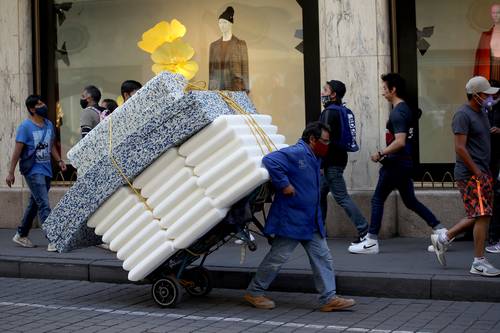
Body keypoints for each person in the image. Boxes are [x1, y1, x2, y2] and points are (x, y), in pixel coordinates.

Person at [244, 122, 355, 311]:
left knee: (323, 257)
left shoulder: (314, 157)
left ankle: (328, 298)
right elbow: (270, 160)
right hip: (292, 219)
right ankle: (254, 293)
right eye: (324, 141)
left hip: (310, 220)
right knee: (278, 257)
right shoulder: (296, 153)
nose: (327, 145)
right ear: (312, 139)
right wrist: (284, 184)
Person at [349, 73, 446, 254]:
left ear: (393, 90)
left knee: (377, 199)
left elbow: (400, 141)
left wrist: (380, 153)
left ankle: (371, 241)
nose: (382, 92)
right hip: (404, 163)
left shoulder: (397, 112)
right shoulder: (405, 110)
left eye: (385, 88)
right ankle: (441, 231)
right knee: (410, 201)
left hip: (395, 164)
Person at [432, 76, 500, 276]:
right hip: (471, 174)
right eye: (487, 94)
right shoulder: (462, 114)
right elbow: (460, 148)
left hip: (483, 171)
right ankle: (478, 262)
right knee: (482, 214)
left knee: (481, 214)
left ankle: (443, 238)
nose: (491, 97)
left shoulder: (483, 112)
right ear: (476, 95)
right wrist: (477, 172)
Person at [6, 95, 67, 251]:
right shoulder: (25, 127)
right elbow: (17, 152)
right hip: (33, 171)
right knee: (44, 204)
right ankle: (53, 239)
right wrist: (11, 172)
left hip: (46, 169)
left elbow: (51, 145)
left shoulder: (48, 125)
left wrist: (59, 160)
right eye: (39, 104)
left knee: (35, 203)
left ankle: (21, 234)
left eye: (42, 102)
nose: (43, 105)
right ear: (32, 109)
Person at [319, 80, 368, 243]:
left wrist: (319, 163)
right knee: (319, 194)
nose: (322, 93)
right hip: (339, 158)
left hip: (330, 161)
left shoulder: (328, 112)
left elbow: (323, 140)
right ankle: (319, 230)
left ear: (333, 94)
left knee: (341, 197)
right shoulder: (341, 110)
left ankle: (364, 230)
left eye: (325, 90)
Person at [208, 6, 249, 92]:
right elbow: (211, 71)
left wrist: (246, 89)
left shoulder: (240, 44)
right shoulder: (213, 46)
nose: (221, 25)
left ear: (231, 23)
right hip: (217, 89)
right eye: (220, 23)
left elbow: (245, 68)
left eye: (224, 22)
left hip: (235, 87)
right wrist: (210, 89)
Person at [486, 81, 500, 253]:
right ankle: (492, 233)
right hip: (490, 157)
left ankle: (494, 234)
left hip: (497, 158)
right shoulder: (486, 108)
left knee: (497, 195)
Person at [474, 4, 500, 80]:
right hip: (490, 69)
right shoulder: (485, 36)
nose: (495, 15)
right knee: (490, 90)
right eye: (493, 13)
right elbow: (479, 58)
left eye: (498, 12)